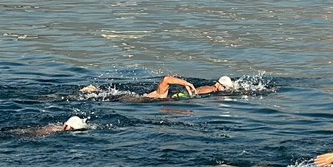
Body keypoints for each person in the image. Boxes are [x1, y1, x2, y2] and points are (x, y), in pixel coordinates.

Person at [81, 75, 236, 101]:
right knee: (109, 97)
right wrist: (187, 83)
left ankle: (95, 91)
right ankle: (94, 91)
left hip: (130, 98)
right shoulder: (161, 95)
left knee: (110, 95)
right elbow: (166, 79)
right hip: (129, 100)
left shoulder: (161, 96)